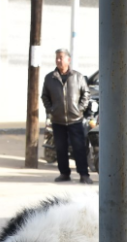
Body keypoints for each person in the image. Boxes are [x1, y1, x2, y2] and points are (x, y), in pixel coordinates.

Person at [41, 48, 92, 184]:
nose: (58, 60)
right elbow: (44, 96)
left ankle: (84, 174)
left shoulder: (77, 77)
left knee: (79, 147)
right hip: (58, 120)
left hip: (75, 119)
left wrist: (80, 109)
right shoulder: (50, 78)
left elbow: (86, 94)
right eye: (57, 58)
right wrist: (51, 109)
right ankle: (64, 173)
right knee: (60, 148)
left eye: (61, 57)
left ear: (68, 60)